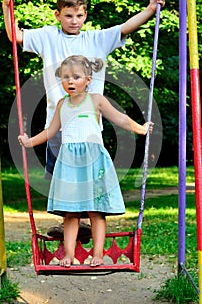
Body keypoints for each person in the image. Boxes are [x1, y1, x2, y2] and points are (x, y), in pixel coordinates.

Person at [3, 0, 165, 241]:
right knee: (64, 181)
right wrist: (5, 4)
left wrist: (150, 8)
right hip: (58, 125)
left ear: (85, 15)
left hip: (89, 128)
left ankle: (86, 222)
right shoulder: (48, 37)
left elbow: (126, 27)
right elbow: (15, 35)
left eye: (79, 16)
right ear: (58, 15)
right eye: (68, 16)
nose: (74, 21)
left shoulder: (96, 40)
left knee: (89, 177)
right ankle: (71, 221)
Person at [18, 55, 153, 267]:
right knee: (71, 213)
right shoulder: (62, 104)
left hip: (93, 161)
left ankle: (97, 254)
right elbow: (51, 131)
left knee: (95, 211)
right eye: (65, 77)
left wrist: (140, 128)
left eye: (76, 77)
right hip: (69, 162)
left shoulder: (96, 99)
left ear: (88, 80)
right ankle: (69, 255)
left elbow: (119, 118)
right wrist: (29, 142)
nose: (70, 81)